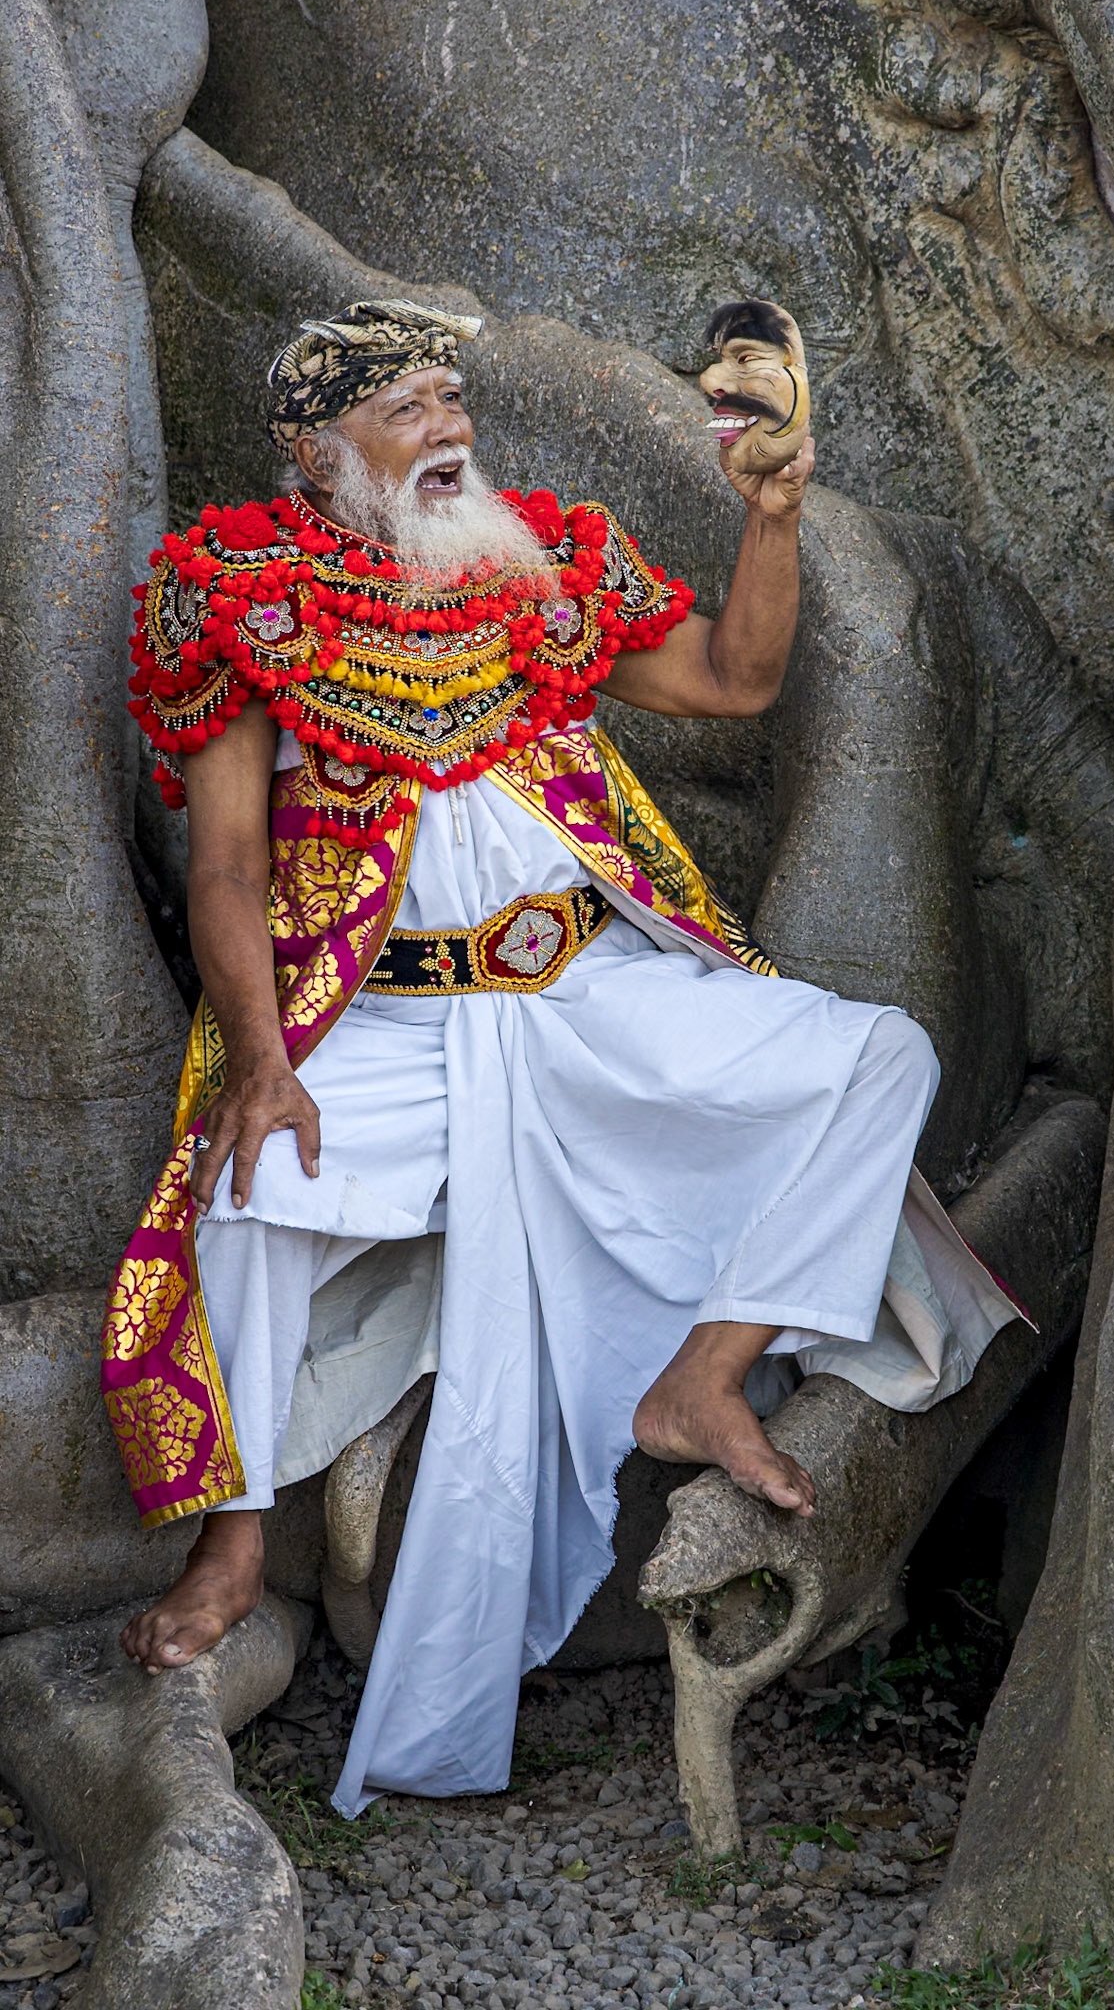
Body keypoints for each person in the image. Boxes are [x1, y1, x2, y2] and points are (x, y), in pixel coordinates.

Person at [104, 299, 1019, 1813]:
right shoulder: (236, 594)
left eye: (451, 402)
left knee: (874, 1058)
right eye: (406, 412)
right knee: (252, 1196)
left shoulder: (537, 562)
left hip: (585, 998)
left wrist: (771, 516)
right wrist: (264, 1064)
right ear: (315, 454)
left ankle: (702, 1380)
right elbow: (224, 867)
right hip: (382, 1019)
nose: (448, 429)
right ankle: (236, 1540)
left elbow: (733, 678)